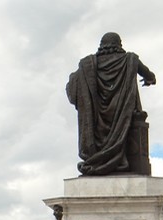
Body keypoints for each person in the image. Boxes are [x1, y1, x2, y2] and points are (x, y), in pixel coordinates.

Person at [66, 32, 156, 176]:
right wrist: (150, 80)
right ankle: (119, 161)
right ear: (119, 44)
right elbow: (150, 76)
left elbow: (73, 86)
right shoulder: (130, 59)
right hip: (122, 113)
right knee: (124, 128)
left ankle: (99, 160)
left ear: (102, 45)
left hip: (96, 119)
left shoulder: (87, 64)